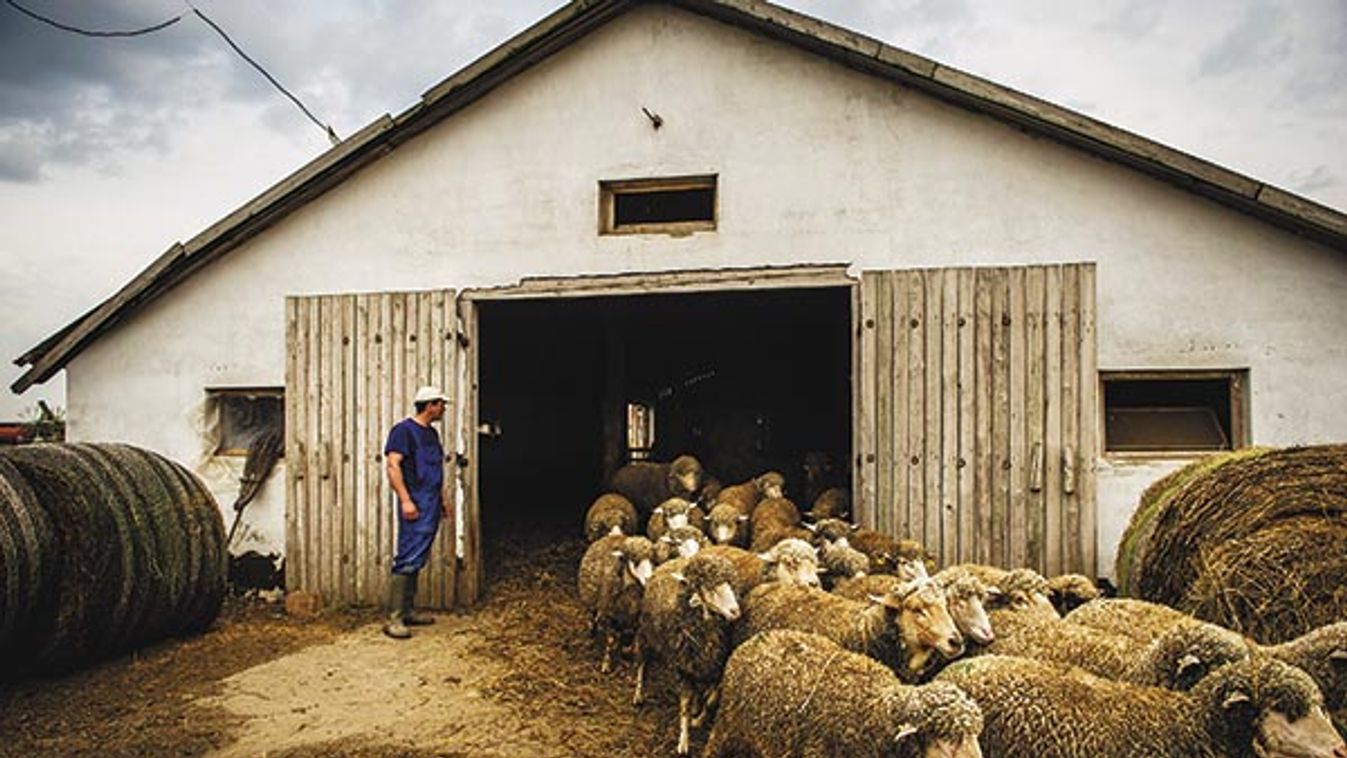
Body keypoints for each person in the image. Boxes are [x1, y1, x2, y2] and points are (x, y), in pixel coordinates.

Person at [382, 385, 449, 639]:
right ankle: (394, 618)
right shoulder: (403, 431)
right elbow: (393, 465)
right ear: (429, 405)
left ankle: (408, 610)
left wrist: (442, 498)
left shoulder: (431, 434)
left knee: (418, 556)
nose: (443, 409)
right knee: (408, 556)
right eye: (441, 404)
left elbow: (435, 470)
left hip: (431, 500)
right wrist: (406, 500)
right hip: (416, 500)